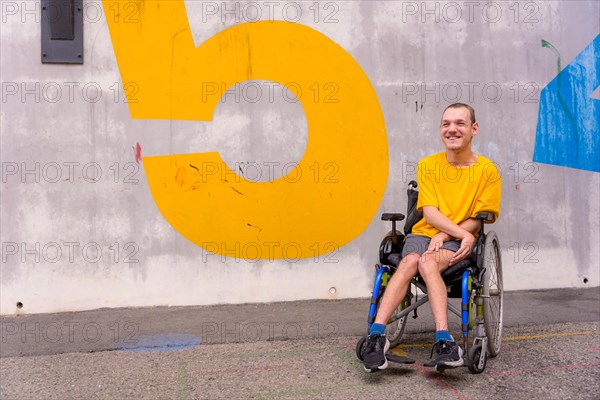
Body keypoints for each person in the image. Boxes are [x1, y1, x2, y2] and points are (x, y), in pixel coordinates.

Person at [363, 103, 502, 371]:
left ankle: (444, 340)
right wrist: (454, 233)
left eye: (460, 123)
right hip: (428, 234)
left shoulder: (487, 171)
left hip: (456, 240)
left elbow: (481, 216)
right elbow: (429, 212)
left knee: (427, 263)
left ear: (474, 129)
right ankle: (377, 336)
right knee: (409, 261)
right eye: (446, 123)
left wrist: (455, 235)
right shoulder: (429, 165)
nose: (452, 129)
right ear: (440, 129)